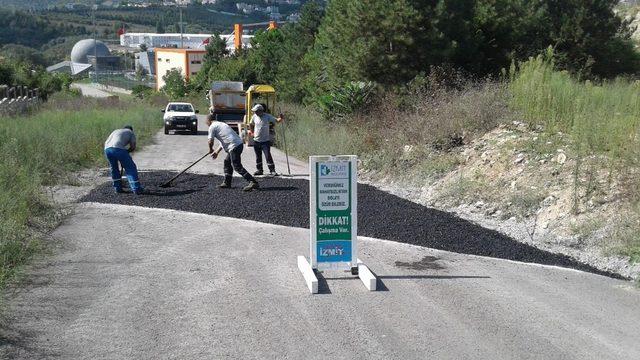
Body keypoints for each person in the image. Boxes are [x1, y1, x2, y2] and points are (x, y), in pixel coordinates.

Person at [207, 113, 260, 191]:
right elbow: (224, 141)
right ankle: (227, 182)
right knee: (227, 162)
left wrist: (210, 149)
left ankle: (253, 181)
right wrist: (216, 152)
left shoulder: (212, 126)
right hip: (237, 144)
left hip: (234, 146)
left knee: (236, 166)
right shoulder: (221, 125)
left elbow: (210, 141)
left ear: (209, 120)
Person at [104, 125, 145, 194]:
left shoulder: (116, 130)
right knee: (130, 167)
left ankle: (117, 188)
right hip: (118, 148)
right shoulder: (130, 132)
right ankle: (136, 189)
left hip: (107, 149)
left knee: (114, 168)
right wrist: (127, 152)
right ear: (131, 129)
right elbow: (133, 147)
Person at [248, 104, 283, 176]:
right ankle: (259, 170)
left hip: (265, 141)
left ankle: (272, 171)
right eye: (255, 111)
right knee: (258, 156)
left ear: (261, 111)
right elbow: (251, 124)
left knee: (268, 156)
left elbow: (277, 121)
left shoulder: (267, 116)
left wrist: (281, 118)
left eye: (256, 111)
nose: (255, 113)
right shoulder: (254, 117)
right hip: (256, 141)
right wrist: (252, 132)